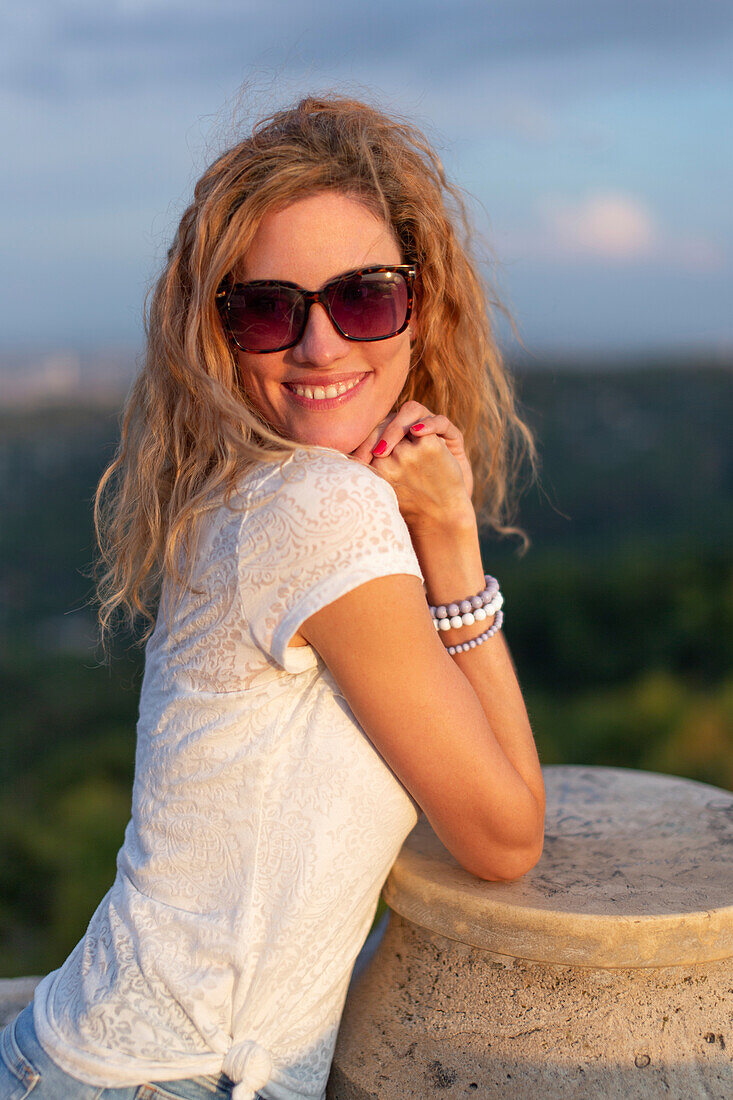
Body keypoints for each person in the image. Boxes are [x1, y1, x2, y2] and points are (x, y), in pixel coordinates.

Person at [0, 94, 545, 1100]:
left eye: (365, 296)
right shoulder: (318, 506)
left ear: (422, 305)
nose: (321, 344)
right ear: (218, 335)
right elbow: (506, 834)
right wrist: (453, 541)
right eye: (267, 308)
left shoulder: (245, 490)